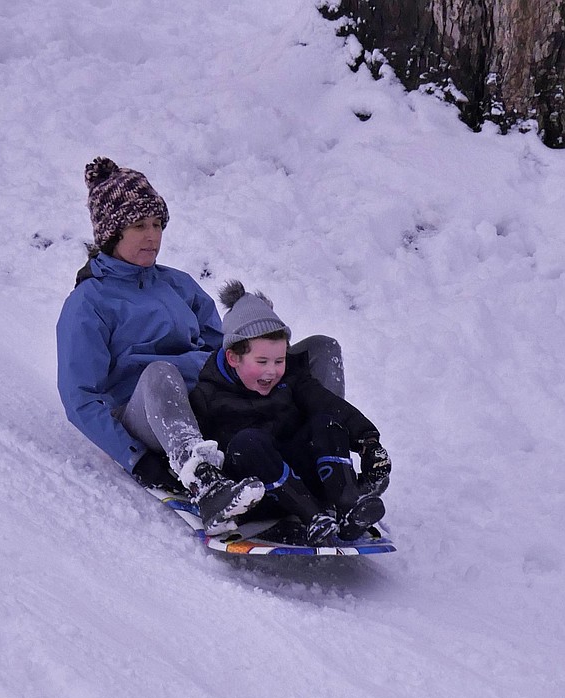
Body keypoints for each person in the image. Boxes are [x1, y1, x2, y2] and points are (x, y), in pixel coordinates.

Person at [56, 157, 265, 534]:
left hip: (204, 402)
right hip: (145, 415)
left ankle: (326, 466)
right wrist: (135, 459)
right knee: (159, 373)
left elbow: (223, 354)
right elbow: (80, 398)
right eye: (139, 226)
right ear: (111, 234)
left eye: (156, 225)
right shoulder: (89, 302)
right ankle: (205, 482)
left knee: (313, 351)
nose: (152, 236)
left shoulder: (178, 284)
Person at [189, 281, 392, 544]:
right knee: (248, 442)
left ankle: (348, 504)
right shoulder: (208, 394)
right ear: (233, 358)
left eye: (279, 360)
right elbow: (200, 451)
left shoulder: (292, 378)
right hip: (256, 491)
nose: (271, 371)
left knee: (326, 422)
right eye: (261, 362)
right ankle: (314, 517)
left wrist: (368, 441)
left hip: (298, 474)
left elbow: (327, 403)